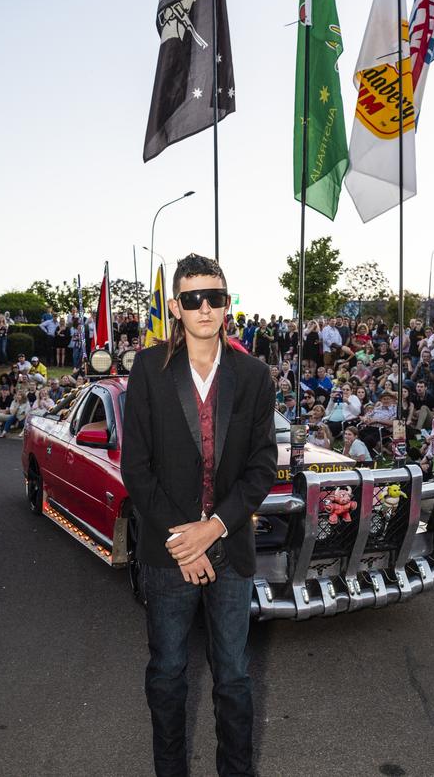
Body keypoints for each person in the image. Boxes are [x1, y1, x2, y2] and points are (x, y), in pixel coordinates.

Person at [121, 253, 277, 777]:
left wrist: (213, 528)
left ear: (228, 305)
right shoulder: (147, 368)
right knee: (167, 674)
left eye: (215, 297)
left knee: (233, 676)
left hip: (230, 546)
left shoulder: (254, 375)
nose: (204, 307)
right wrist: (182, 541)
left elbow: (261, 468)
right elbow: (136, 467)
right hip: (169, 555)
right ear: (176, 307)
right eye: (193, 299)